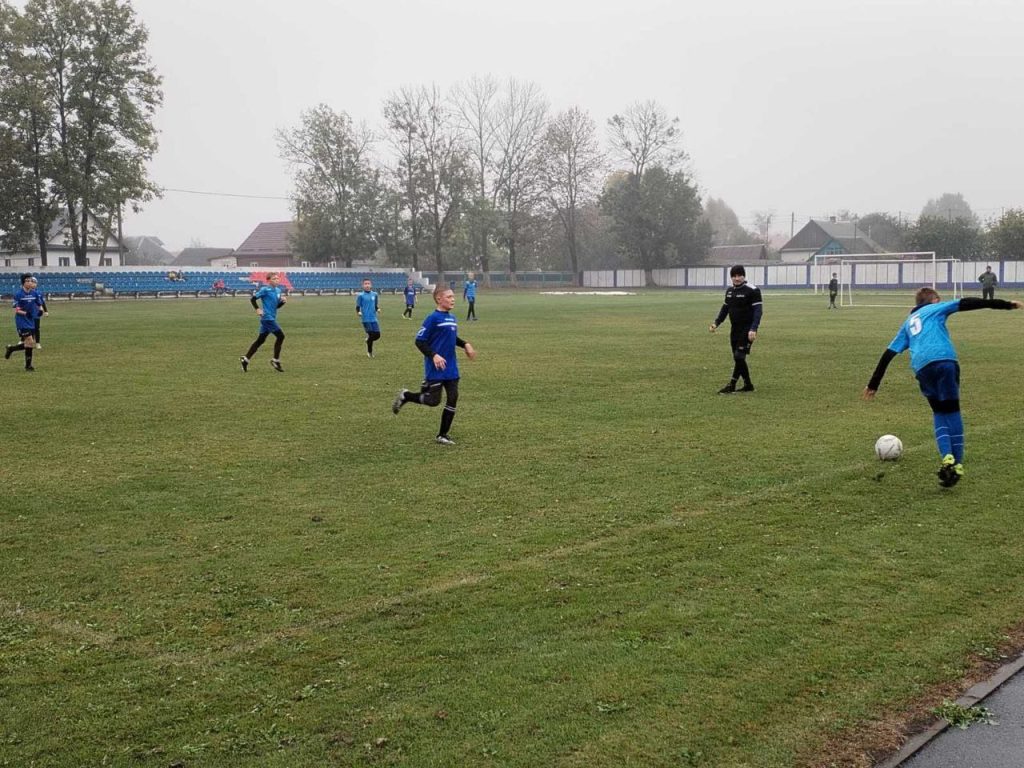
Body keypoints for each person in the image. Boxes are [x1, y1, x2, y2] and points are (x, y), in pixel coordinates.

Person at [863, 287, 1022, 487]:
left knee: (939, 412)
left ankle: (947, 456)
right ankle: (958, 464)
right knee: (953, 411)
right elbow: (968, 302)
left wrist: (874, 384)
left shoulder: (908, 323)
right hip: (944, 360)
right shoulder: (936, 308)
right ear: (935, 300)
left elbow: (889, 353)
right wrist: (1006, 305)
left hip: (922, 368)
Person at [391, 285, 477, 445]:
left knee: (453, 398)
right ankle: (406, 396)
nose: (453, 299)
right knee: (433, 401)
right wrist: (434, 355)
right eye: (449, 297)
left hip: (451, 366)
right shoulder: (432, 318)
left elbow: (452, 338)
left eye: (453, 296)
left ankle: (442, 435)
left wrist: (466, 344)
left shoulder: (452, 318)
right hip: (436, 367)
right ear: (439, 299)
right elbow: (420, 341)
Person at [709, 264, 763, 393]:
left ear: (744, 276)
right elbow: (725, 309)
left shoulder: (753, 290)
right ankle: (748, 385)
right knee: (738, 357)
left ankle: (732, 384)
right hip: (735, 329)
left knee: (739, 356)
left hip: (747, 329)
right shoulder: (729, 291)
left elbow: (758, 311)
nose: (737, 278)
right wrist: (716, 323)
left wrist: (753, 329)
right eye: (734, 276)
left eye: (739, 275)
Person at [240, 271, 287, 372]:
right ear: (268, 281)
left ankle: (245, 359)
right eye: (274, 279)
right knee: (281, 336)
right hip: (267, 318)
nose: (276, 280)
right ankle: (275, 360)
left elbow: (276, 306)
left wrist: (282, 302)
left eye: (277, 278)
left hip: (272, 317)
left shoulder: (278, 290)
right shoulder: (265, 289)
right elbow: (253, 299)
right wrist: (257, 309)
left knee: (260, 340)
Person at [5, 274, 44, 371]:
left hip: (30, 320)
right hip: (21, 321)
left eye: (31, 281)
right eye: (27, 281)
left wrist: (40, 310)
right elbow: (17, 310)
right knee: (30, 341)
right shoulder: (18, 294)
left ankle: (11, 349)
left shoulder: (34, 293)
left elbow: (39, 304)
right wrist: (26, 313)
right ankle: (28, 366)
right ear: (23, 283)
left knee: (29, 343)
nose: (30, 282)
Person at [356, 278, 381, 357]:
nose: (367, 285)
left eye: (368, 283)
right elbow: (357, 307)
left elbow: (375, 305)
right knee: (371, 334)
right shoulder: (360, 295)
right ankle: (370, 352)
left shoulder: (375, 294)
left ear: (371, 285)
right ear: (363, 285)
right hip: (366, 319)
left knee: (377, 335)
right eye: (365, 284)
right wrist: (358, 312)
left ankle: (368, 340)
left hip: (373, 318)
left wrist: (378, 309)